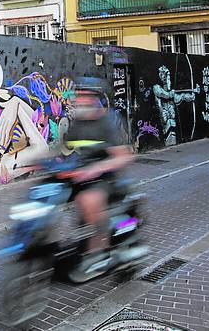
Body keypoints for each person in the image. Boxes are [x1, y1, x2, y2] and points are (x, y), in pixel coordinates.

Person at [64, 77, 146, 281]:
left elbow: (124, 156)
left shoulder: (107, 122)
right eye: (78, 95)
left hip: (108, 180)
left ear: (95, 98)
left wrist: (96, 168)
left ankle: (99, 251)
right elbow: (62, 150)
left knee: (89, 200)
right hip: (83, 177)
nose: (79, 100)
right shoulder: (77, 123)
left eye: (85, 96)